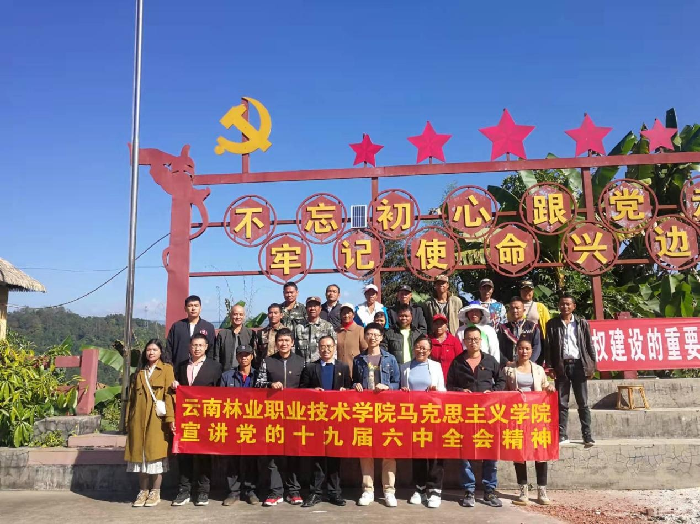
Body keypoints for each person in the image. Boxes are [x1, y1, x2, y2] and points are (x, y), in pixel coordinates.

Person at [446, 325, 506, 509]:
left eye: (476, 339)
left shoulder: (490, 360)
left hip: (488, 414)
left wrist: (492, 391)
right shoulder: (457, 362)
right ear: (464, 341)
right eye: (469, 339)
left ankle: (489, 490)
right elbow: (449, 386)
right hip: (465, 415)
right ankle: (469, 490)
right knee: (465, 454)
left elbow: (502, 380)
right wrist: (460, 391)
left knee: (490, 452)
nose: (473, 342)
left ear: (481, 341)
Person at [299, 336, 352, 507]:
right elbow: (301, 390)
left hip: (336, 420)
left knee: (335, 458)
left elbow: (350, 388)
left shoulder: (343, 367)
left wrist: (345, 390)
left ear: (334, 347)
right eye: (323, 346)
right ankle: (315, 493)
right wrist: (312, 391)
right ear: (318, 348)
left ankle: (334, 493)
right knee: (317, 459)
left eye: (329, 346)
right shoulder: (311, 367)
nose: (326, 349)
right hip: (317, 420)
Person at [255, 328, 306, 506]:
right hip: (273, 415)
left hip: (294, 415)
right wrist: (270, 384)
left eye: (287, 340)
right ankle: (275, 492)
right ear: (276, 343)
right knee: (273, 455)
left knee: (293, 454)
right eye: (280, 340)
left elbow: (306, 388)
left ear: (292, 343)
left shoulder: (301, 362)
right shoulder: (267, 361)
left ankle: (294, 491)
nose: (283, 344)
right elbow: (258, 384)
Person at [352, 323, 400, 507]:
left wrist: (387, 387)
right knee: (366, 450)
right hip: (365, 410)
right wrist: (355, 385)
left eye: (375, 334)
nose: (372, 337)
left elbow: (397, 382)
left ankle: (389, 491)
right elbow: (354, 381)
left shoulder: (390, 358)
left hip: (386, 410)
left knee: (388, 450)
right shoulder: (359, 359)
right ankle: (368, 490)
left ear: (381, 337)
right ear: (365, 337)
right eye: (369, 334)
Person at [172, 333, 222, 507]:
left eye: (200, 345)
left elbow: (220, 393)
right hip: (185, 418)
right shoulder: (181, 366)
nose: (197, 348)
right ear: (189, 346)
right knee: (184, 455)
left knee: (204, 456)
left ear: (206, 347)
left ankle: (203, 491)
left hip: (206, 418)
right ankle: (184, 490)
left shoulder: (215, 367)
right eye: (194, 345)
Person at [504, 337, 555, 506]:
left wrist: (550, 387)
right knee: (520, 455)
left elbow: (546, 385)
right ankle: (523, 491)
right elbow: (503, 391)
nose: (524, 351)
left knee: (540, 453)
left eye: (527, 349)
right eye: (521, 348)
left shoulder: (539, 369)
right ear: (516, 350)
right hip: (517, 416)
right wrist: (512, 394)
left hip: (536, 416)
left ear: (532, 351)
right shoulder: (508, 370)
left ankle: (542, 491)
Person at [124, 339, 175, 508]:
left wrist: (170, 419)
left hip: (156, 421)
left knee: (155, 457)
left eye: (154, 350)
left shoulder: (167, 369)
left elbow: (169, 396)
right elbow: (131, 400)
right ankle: (143, 491)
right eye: (148, 350)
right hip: (138, 421)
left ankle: (155, 492)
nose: (151, 352)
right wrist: (128, 422)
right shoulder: (139, 372)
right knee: (140, 459)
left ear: (161, 352)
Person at [400, 335, 445, 509]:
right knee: (417, 454)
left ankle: (435, 490)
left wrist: (435, 390)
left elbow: (443, 390)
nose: (421, 350)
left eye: (424, 348)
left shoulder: (436, 367)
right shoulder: (405, 367)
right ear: (413, 348)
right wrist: (403, 391)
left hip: (432, 415)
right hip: (414, 417)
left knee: (435, 454)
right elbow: (400, 391)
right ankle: (419, 488)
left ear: (430, 351)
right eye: (418, 347)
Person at [547, 294, 597, 447]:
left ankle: (587, 435)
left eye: (568, 304)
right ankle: (562, 434)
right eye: (562, 304)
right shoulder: (552, 324)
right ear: (558, 306)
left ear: (573, 306)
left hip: (579, 365)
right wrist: (550, 366)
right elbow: (549, 347)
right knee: (562, 402)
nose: (565, 307)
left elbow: (589, 345)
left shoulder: (581, 323)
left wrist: (592, 366)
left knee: (583, 402)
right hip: (561, 366)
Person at [219, 344, 259, 505]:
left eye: (247, 354)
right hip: (233, 423)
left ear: (252, 357)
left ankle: (250, 491)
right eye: (241, 355)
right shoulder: (227, 376)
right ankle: (233, 492)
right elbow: (220, 399)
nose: (244, 357)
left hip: (253, 424)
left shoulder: (259, 376)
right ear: (237, 357)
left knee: (251, 459)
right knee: (232, 459)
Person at [165, 295, 215, 368]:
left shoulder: (208, 327)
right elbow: (169, 349)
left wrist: (209, 367)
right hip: (179, 368)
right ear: (185, 308)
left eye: (196, 306)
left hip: (201, 369)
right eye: (190, 306)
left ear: (200, 308)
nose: (193, 308)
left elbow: (211, 350)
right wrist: (169, 367)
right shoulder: (177, 327)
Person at [497, 297, 542, 365]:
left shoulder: (532, 327)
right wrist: (506, 362)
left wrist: (529, 362)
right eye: (512, 308)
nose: (515, 311)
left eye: (517, 308)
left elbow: (537, 347)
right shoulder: (502, 329)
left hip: (528, 366)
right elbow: (498, 348)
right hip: (509, 366)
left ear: (524, 310)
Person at [212, 304, 257, 372]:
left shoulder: (250, 334)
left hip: (246, 373)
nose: (238, 317)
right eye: (235, 314)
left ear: (244, 316)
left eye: (241, 314)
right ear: (230, 316)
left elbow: (255, 355)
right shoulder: (223, 334)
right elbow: (217, 356)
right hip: (226, 373)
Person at [294, 296, 336, 363]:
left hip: (321, 366)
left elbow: (334, 348)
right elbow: (294, 349)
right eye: (310, 306)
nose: (312, 308)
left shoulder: (327, 327)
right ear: (306, 308)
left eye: (315, 306)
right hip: (303, 366)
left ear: (320, 308)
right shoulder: (298, 327)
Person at [429, 313, 463, 382]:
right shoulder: (428, 340)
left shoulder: (454, 341)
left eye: (441, 324)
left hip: (451, 379)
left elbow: (460, 360)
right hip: (433, 378)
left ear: (446, 325)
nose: (439, 326)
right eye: (436, 324)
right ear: (432, 325)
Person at [335, 302, 367, 375]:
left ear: (353, 315)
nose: (346, 315)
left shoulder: (360, 330)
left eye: (349, 313)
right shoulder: (336, 331)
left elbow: (365, 350)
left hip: (354, 370)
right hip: (338, 371)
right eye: (344, 313)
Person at [255, 303, 286, 367]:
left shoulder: (286, 332)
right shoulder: (260, 333)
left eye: (275, 313)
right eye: (270, 313)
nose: (273, 315)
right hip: (265, 368)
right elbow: (256, 353)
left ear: (281, 315)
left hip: (282, 367)